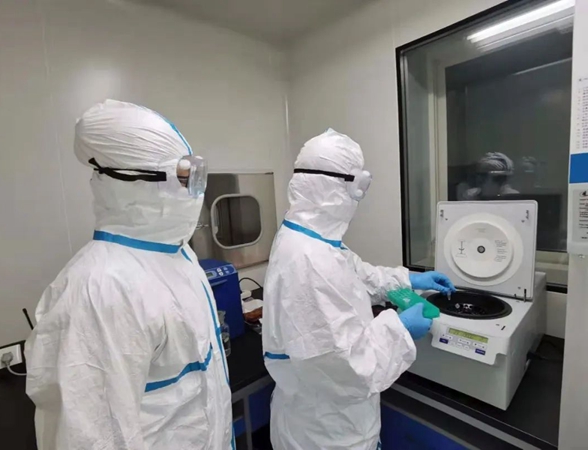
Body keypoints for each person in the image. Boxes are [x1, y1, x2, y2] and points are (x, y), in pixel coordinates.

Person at [25, 100, 234, 450]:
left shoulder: (179, 257)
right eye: (183, 179)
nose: (194, 193)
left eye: (196, 178)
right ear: (129, 183)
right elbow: (92, 438)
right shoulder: (99, 289)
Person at [262, 129, 456, 450]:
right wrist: (400, 329)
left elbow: (357, 276)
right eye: (359, 185)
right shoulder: (308, 260)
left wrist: (409, 280)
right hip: (326, 435)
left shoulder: (312, 239)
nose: (359, 197)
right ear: (333, 186)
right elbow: (348, 368)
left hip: (328, 418)